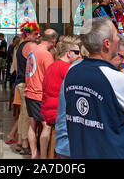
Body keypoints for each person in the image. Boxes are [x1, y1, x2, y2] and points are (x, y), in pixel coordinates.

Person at [64, 17, 124, 159]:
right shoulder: (117, 78)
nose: (119, 38)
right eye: (116, 34)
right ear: (107, 43)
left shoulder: (72, 72)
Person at [41, 36, 80, 158]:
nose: (79, 56)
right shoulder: (67, 69)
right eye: (77, 53)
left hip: (46, 110)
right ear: (69, 54)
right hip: (57, 113)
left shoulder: (52, 65)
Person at [24, 29, 58, 159]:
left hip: (29, 91)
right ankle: (44, 157)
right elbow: (51, 76)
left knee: (32, 124)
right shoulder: (46, 54)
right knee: (47, 126)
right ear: (54, 40)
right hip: (39, 93)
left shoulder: (33, 50)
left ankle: (34, 154)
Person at [15, 21, 40, 155]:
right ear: (28, 34)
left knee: (23, 113)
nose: (38, 36)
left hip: (21, 82)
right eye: (36, 33)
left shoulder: (21, 45)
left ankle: (20, 141)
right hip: (26, 83)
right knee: (26, 114)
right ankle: (25, 142)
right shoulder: (30, 45)